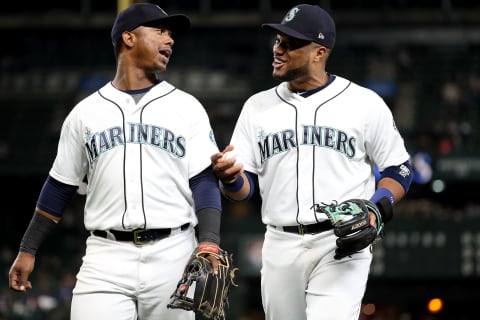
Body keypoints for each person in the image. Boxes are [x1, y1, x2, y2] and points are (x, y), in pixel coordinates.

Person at [9, 3, 223, 320]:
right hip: (105, 256)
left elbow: (204, 180)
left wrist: (209, 242)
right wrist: (28, 249)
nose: (170, 40)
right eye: (160, 31)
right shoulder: (85, 114)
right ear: (129, 38)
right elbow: (59, 186)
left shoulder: (186, 106)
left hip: (173, 251)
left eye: (171, 34)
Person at [211, 4, 413, 320]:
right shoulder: (257, 106)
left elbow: (399, 169)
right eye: (278, 41)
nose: (278, 50)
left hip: (341, 241)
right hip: (279, 242)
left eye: (290, 44)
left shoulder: (363, 103)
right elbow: (244, 189)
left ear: (319, 52)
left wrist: (376, 207)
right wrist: (230, 179)